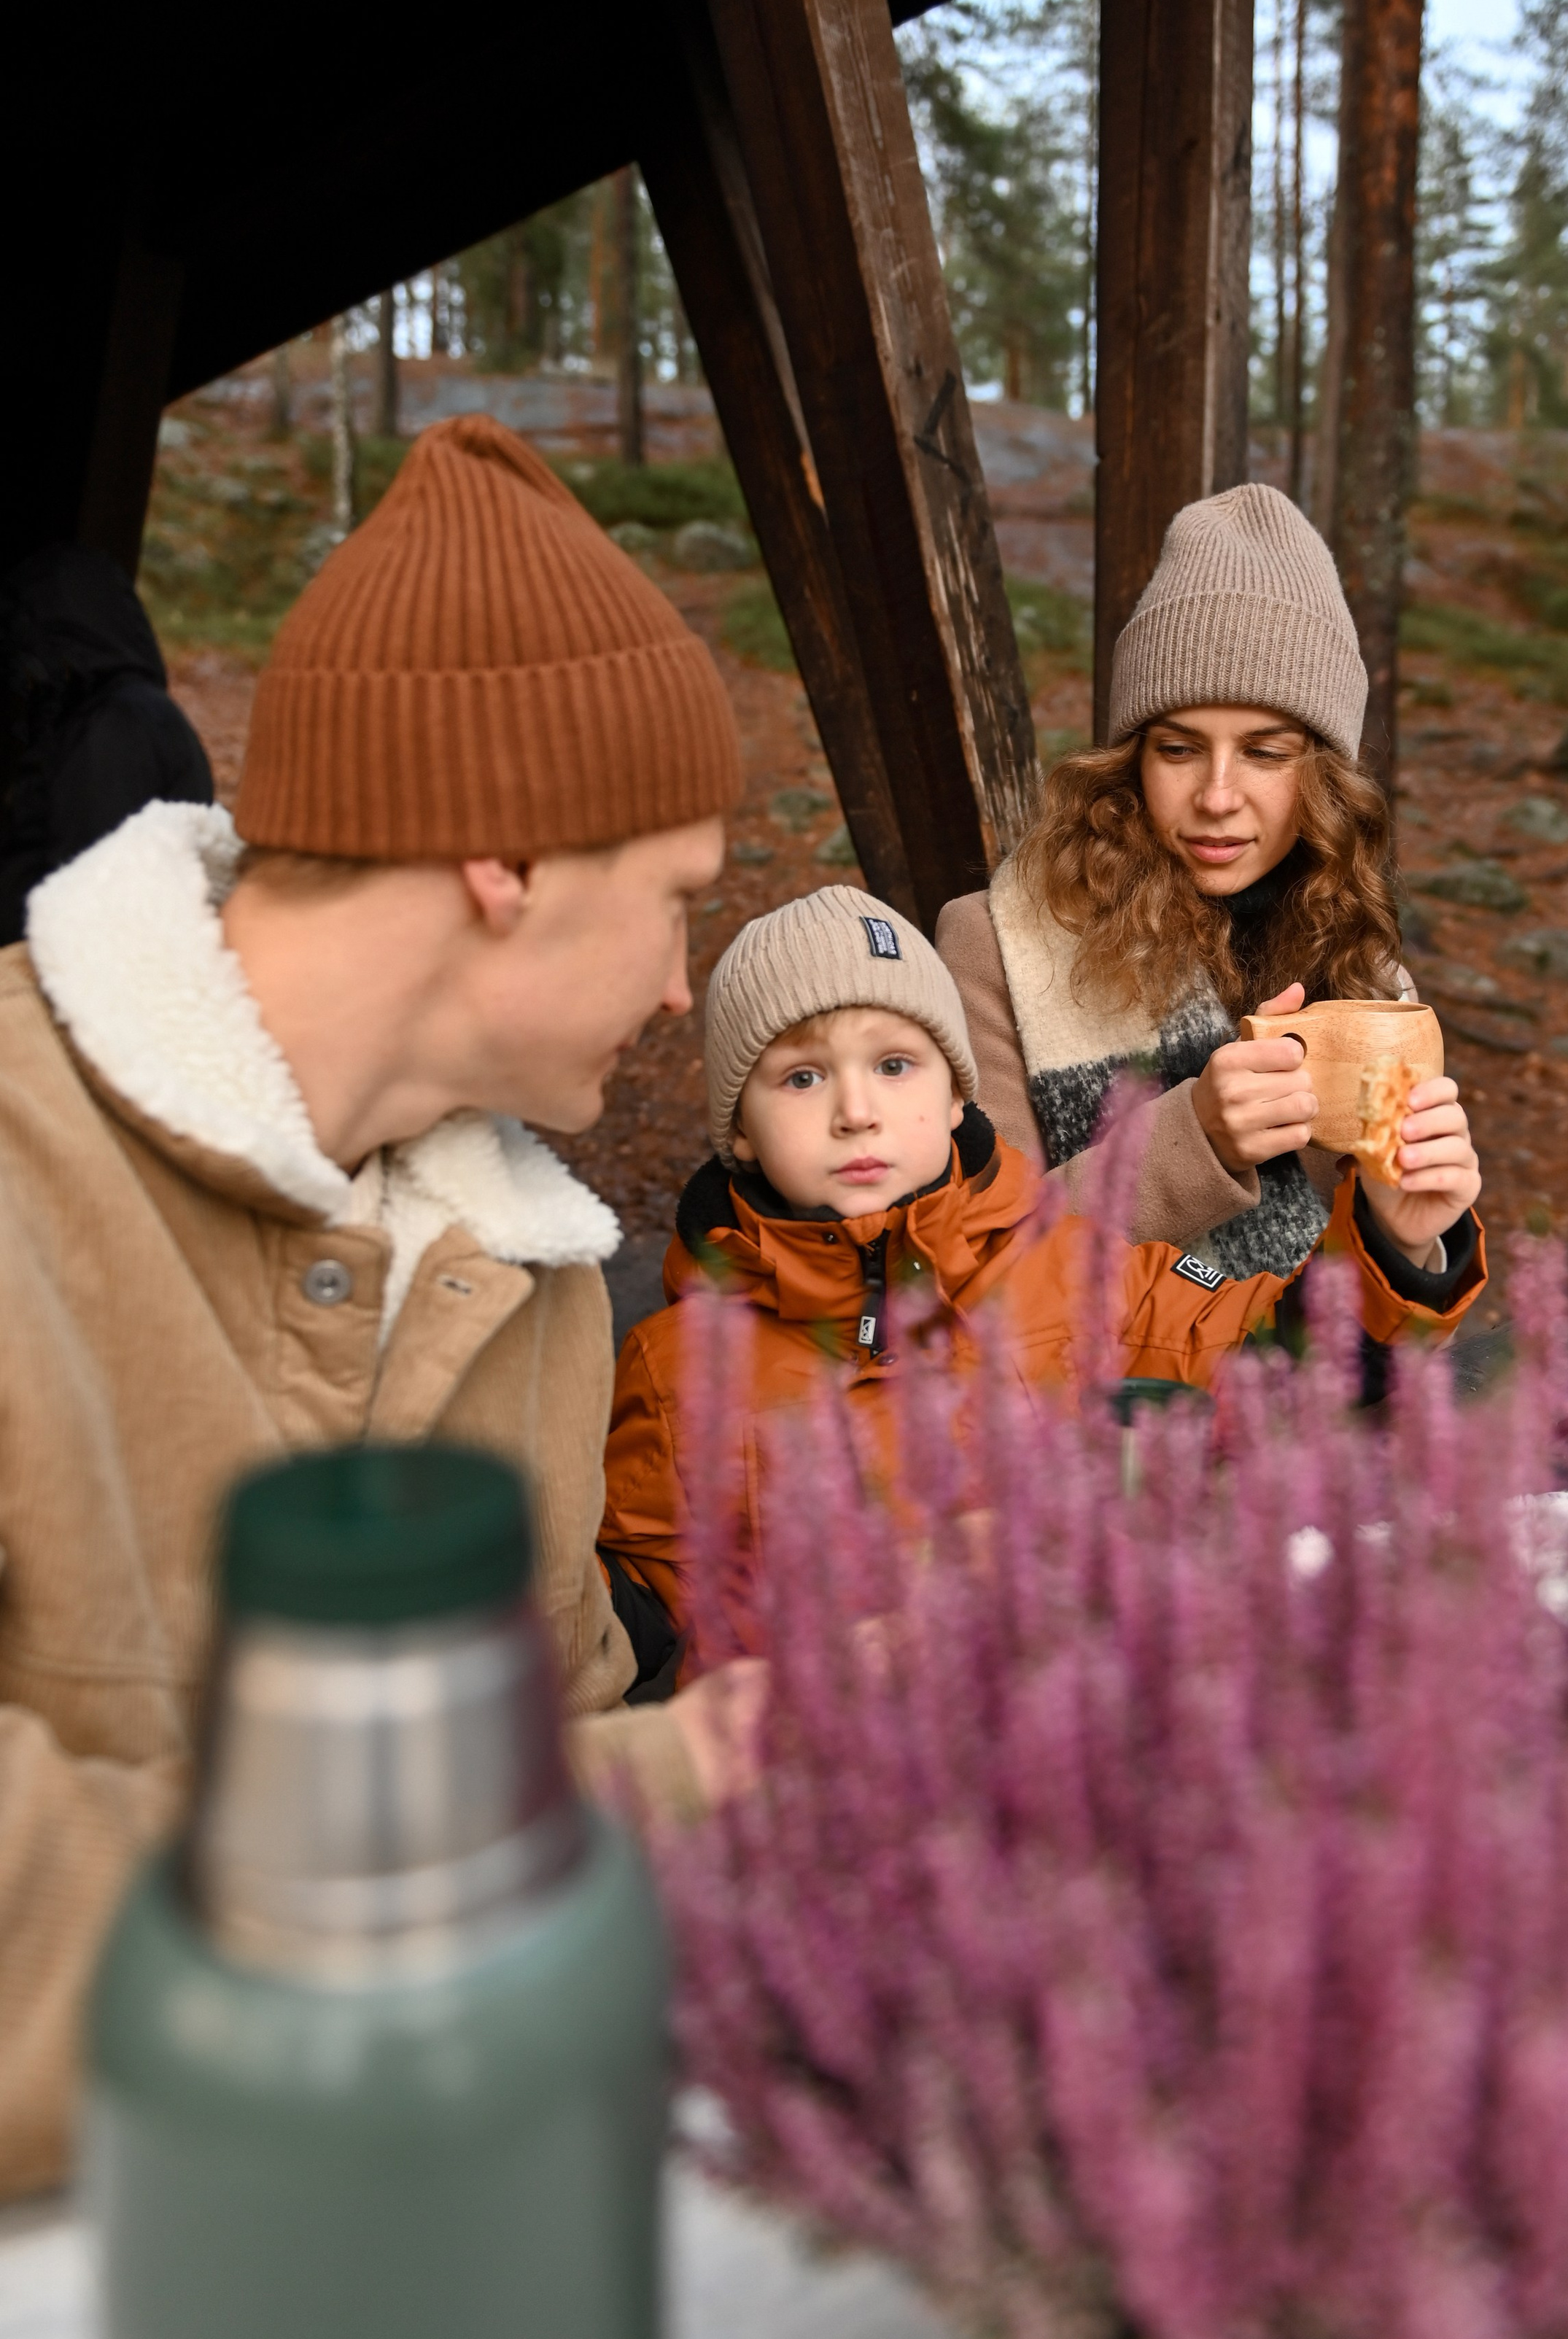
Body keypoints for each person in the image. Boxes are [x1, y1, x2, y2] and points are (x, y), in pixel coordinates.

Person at [0, 413, 750, 2198]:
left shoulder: (541, 1291)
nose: (675, 987)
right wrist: (678, 1796)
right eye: (670, 903)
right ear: (503, 853)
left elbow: (555, 1777)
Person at [599, 884, 1483, 1670]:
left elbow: (1298, 1367)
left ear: (956, 1096)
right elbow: (632, 1643)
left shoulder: (1076, 1271)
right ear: (740, 1131)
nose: (856, 1110)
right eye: (800, 1075)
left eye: (895, 1064)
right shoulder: (676, 1371)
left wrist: (1396, 1242)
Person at [936, 483, 1482, 1303]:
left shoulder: (1358, 965)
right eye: (1180, 749)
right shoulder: (996, 946)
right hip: (1080, 1417)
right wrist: (1196, 1142)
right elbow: (973, 1270)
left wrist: (1401, 1242)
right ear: (1128, 761)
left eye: (1265, 753)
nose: (1218, 796)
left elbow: (1356, 1347)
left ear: (1327, 778)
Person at [0, 542, 214, 944]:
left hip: (54, 973)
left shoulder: (118, 726)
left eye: (19, 624)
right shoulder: (126, 715)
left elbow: (90, 884)